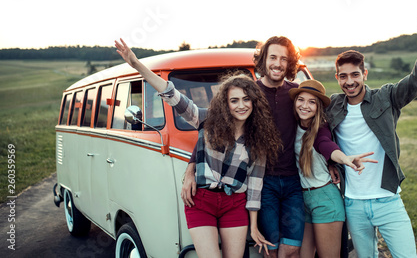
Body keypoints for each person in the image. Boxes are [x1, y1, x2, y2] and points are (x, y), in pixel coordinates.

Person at [114, 39, 280, 257]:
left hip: (235, 203)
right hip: (201, 200)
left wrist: (255, 226)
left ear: (254, 102)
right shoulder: (207, 120)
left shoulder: (258, 139)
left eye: (246, 99)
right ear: (225, 103)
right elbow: (173, 96)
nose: (241, 105)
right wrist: (136, 64)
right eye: (234, 100)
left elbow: (255, 187)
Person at [325, 6, 417, 257]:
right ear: (337, 77)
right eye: (343, 76)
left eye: (355, 74)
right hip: (352, 202)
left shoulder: (386, 97)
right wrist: (330, 162)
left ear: (365, 73)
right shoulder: (333, 106)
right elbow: (318, 137)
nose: (349, 81)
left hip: (388, 199)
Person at [183, 36, 305, 257]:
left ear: (290, 64)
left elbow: (315, 126)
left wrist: (333, 160)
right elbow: (209, 132)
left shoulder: (297, 93)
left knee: (292, 248)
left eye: (284, 59)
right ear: (264, 60)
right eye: (273, 57)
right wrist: (191, 168)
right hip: (259, 182)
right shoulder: (248, 92)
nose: (277, 64)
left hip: (292, 180)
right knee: (270, 248)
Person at [289, 80, 377, 258]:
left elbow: (326, 145)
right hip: (303, 200)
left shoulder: (320, 128)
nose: (305, 106)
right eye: (301, 100)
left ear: (319, 107)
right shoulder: (292, 126)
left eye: (312, 102)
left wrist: (344, 159)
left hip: (325, 201)